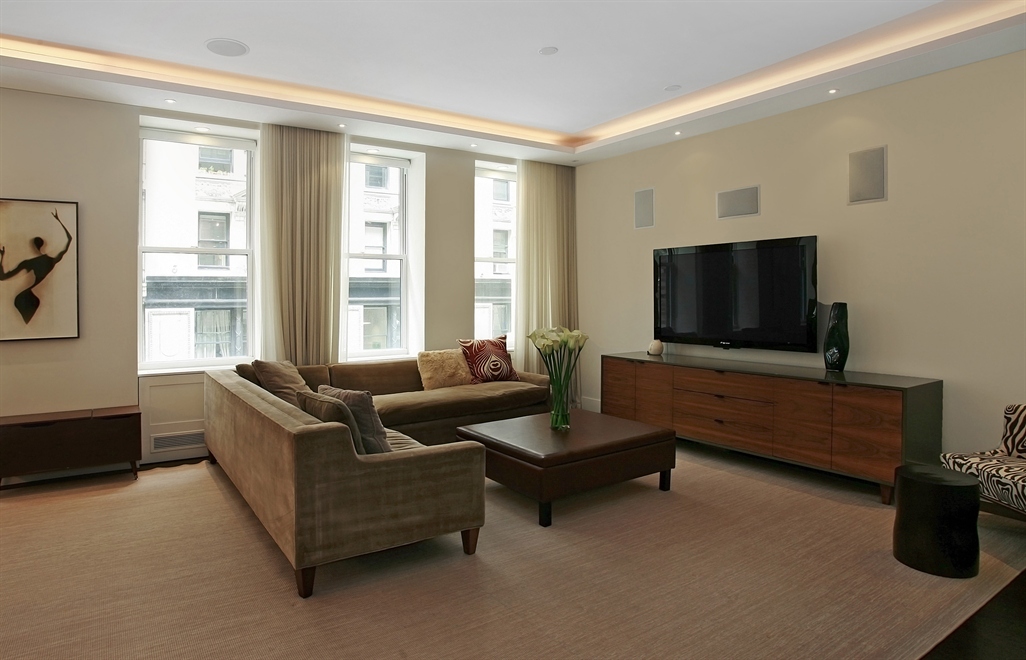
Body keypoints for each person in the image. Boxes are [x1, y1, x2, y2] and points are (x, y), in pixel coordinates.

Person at [0, 209, 73, 324]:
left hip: (24, 299)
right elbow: (69, 239)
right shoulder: (51, 261)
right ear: (43, 245)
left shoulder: (28, 263)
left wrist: (2, 257)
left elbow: (2, 277)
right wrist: (59, 220)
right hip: (30, 299)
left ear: (33, 246)